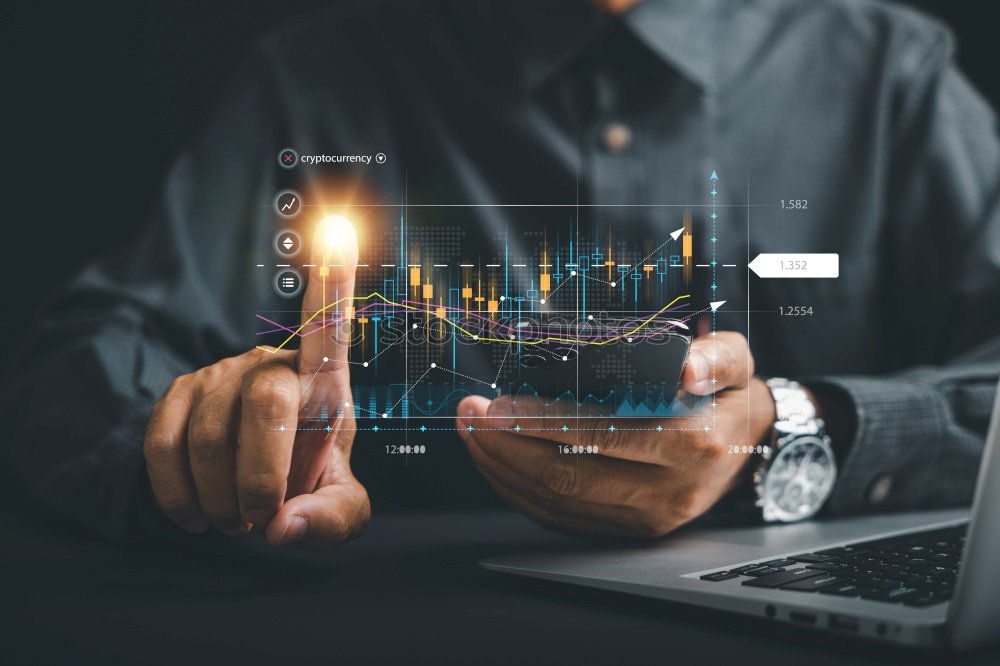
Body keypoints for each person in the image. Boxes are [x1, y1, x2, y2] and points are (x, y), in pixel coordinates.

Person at [4, 0, 999, 550]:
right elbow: (74, 373)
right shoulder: (322, 75)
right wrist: (214, 443)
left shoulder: (887, 76)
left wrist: (791, 428)